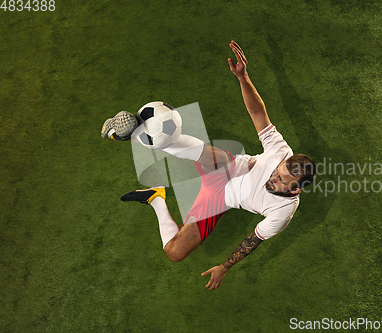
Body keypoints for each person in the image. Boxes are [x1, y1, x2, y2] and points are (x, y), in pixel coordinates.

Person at [119, 40, 316, 289]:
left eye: (281, 181)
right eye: (278, 171)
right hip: (229, 168)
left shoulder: (283, 212)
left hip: (220, 199)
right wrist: (243, 78)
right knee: (223, 159)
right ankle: (146, 134)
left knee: (175, 252)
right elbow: (258, 114)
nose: (273, 177)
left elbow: (253, 240)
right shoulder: (281, 152)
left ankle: (155, 197)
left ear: (296, 189)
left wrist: (224, 267)